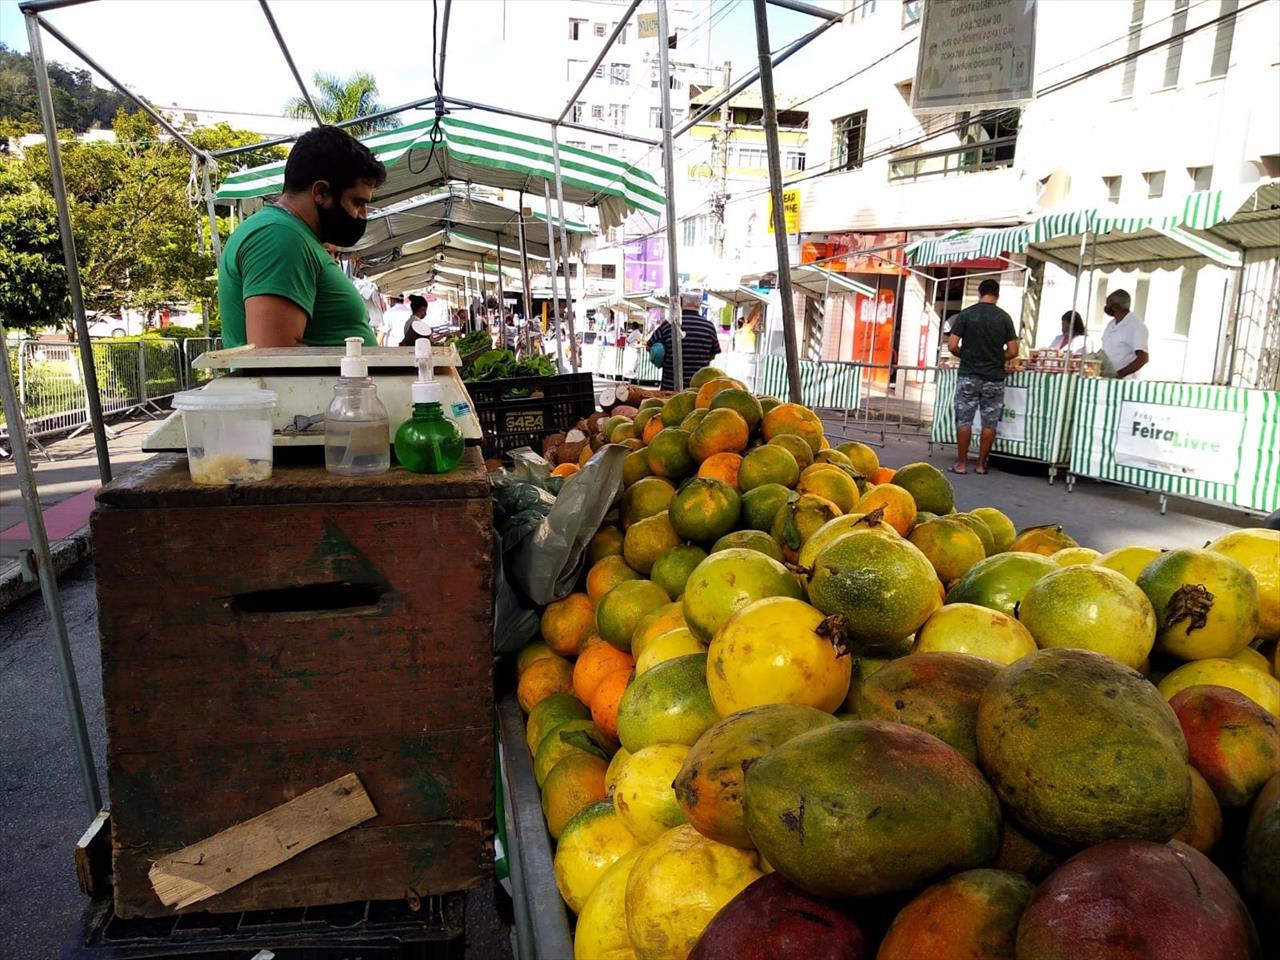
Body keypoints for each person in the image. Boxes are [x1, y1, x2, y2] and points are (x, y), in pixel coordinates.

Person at [218, 126, 386, 348]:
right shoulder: (279, 236)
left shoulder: (295, 236)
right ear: (321, 192)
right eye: (358, 202)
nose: (363, 215)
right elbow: (274, 355)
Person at [946, 278, 1019, 475]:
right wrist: (995, 358)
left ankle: (961, 464)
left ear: (979, 293)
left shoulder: (966, 315)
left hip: (968, 375)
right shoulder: (1004, 318)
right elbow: (1013, 351)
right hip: (994, 378)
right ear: (997, 295)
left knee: (964, 420)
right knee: (990, 421)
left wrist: (967, 355)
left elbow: (952, 345)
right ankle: (980, 465)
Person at [648, 290, 721, 391]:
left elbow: (650, 345)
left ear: (680, 302)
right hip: (698, 392)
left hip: (670, 389)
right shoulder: (709, 327)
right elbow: (714, 353)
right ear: (699, 304)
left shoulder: (669, 324)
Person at [1099, 289, 1150, 379]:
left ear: (1115, 306)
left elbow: (1143, 358)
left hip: (1124, 380)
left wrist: (1119, 375)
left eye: (1108, 304)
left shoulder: (1135, 325)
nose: (1106, 307)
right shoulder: (1112, 323)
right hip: (1107, 378)